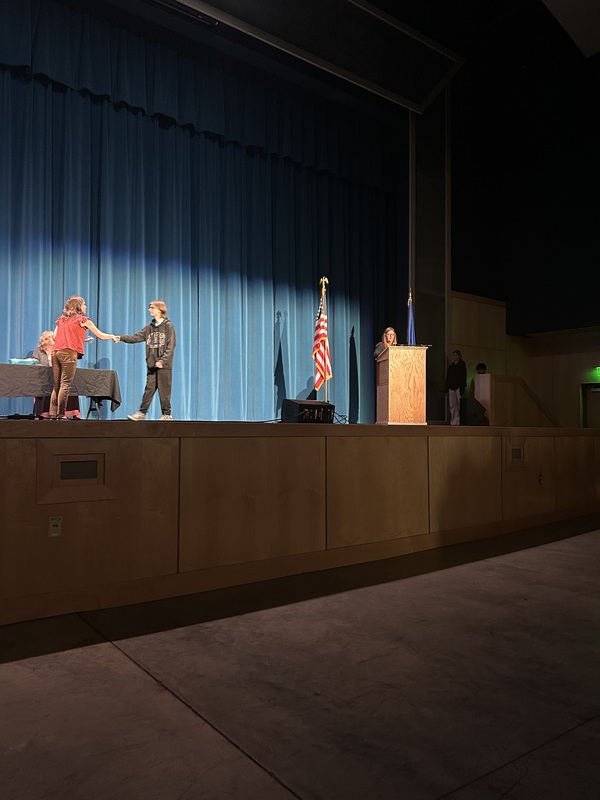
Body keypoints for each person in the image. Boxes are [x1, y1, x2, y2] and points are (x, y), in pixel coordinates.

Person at [50, 296, 117, 420]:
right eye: (84, 304)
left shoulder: (61, 319)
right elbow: (100, 335)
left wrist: (83, 340)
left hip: (55, 353)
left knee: (57, 385)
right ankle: (61, 415)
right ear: (78, 306)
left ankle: (53, 414)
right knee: (65, 384)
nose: (86, 306)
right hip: (68, 354)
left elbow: (54, 337)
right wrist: (112, 336)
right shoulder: (83, 320)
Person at [117, 300, 176, 421]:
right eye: (150, 308)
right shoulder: (149, 327)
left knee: (164, 391)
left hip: (164, 366)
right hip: (152, 365)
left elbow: (171, 345)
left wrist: (162, 361)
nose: (150, 310)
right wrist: (121, 338)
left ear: (160, 309)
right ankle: (142, 413)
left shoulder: (168, 326)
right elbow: (136, 337)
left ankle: (167, 414)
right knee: (149, 390)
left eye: (152, 307)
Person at [33, 330, 80, 419]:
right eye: (53, 338)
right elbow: (35, 363)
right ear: (46, 340)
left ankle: (68, 413)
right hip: (44, 379)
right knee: (51, 388)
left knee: (70, 386)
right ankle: (46, 413)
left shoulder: (60, 351)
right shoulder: (39, 351)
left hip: (59, 377)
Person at [445, 349, 467, 426]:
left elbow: (463, 377)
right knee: (453, 405)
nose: (454, 357)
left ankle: (459, 421)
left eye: (455, 355)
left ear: (459, 356)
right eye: (453, 355)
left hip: (458, 387)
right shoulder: (451, 367)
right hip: (451, 387)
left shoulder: (462, 365)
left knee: (459, 404)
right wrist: (446, 387)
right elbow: (448, 378)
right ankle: (454, 421)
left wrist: (462, 387)